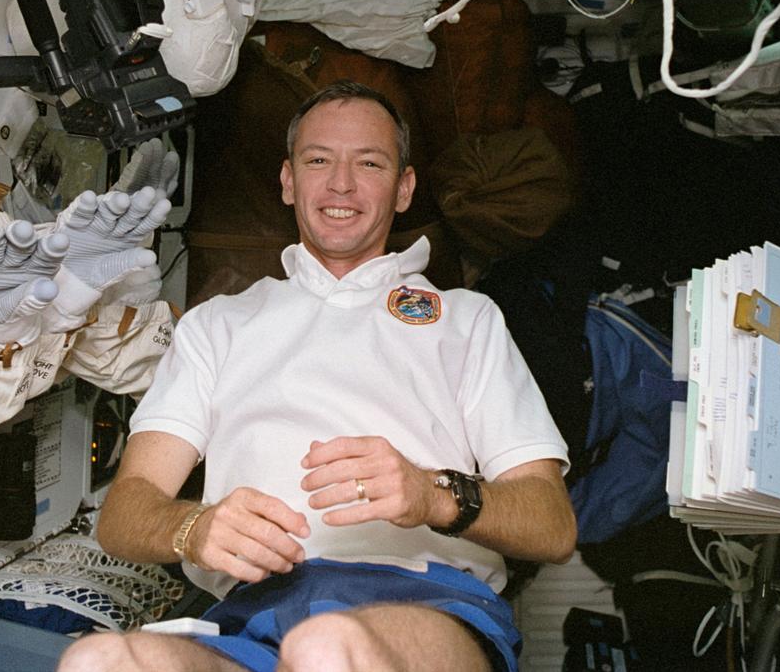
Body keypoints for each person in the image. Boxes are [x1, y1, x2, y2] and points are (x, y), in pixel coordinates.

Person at [60, 81, 576, 672]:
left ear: (404, 189)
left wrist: (432, 494)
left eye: (370, 163)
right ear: (288, 180)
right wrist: (192, 527)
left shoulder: (468, 319)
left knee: (325, 650)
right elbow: (125, 512)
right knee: (96, 660)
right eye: (319, 160)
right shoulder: (215, 326)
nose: (342, 184)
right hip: (257, 609)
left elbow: (553, 525)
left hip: (430, 601)